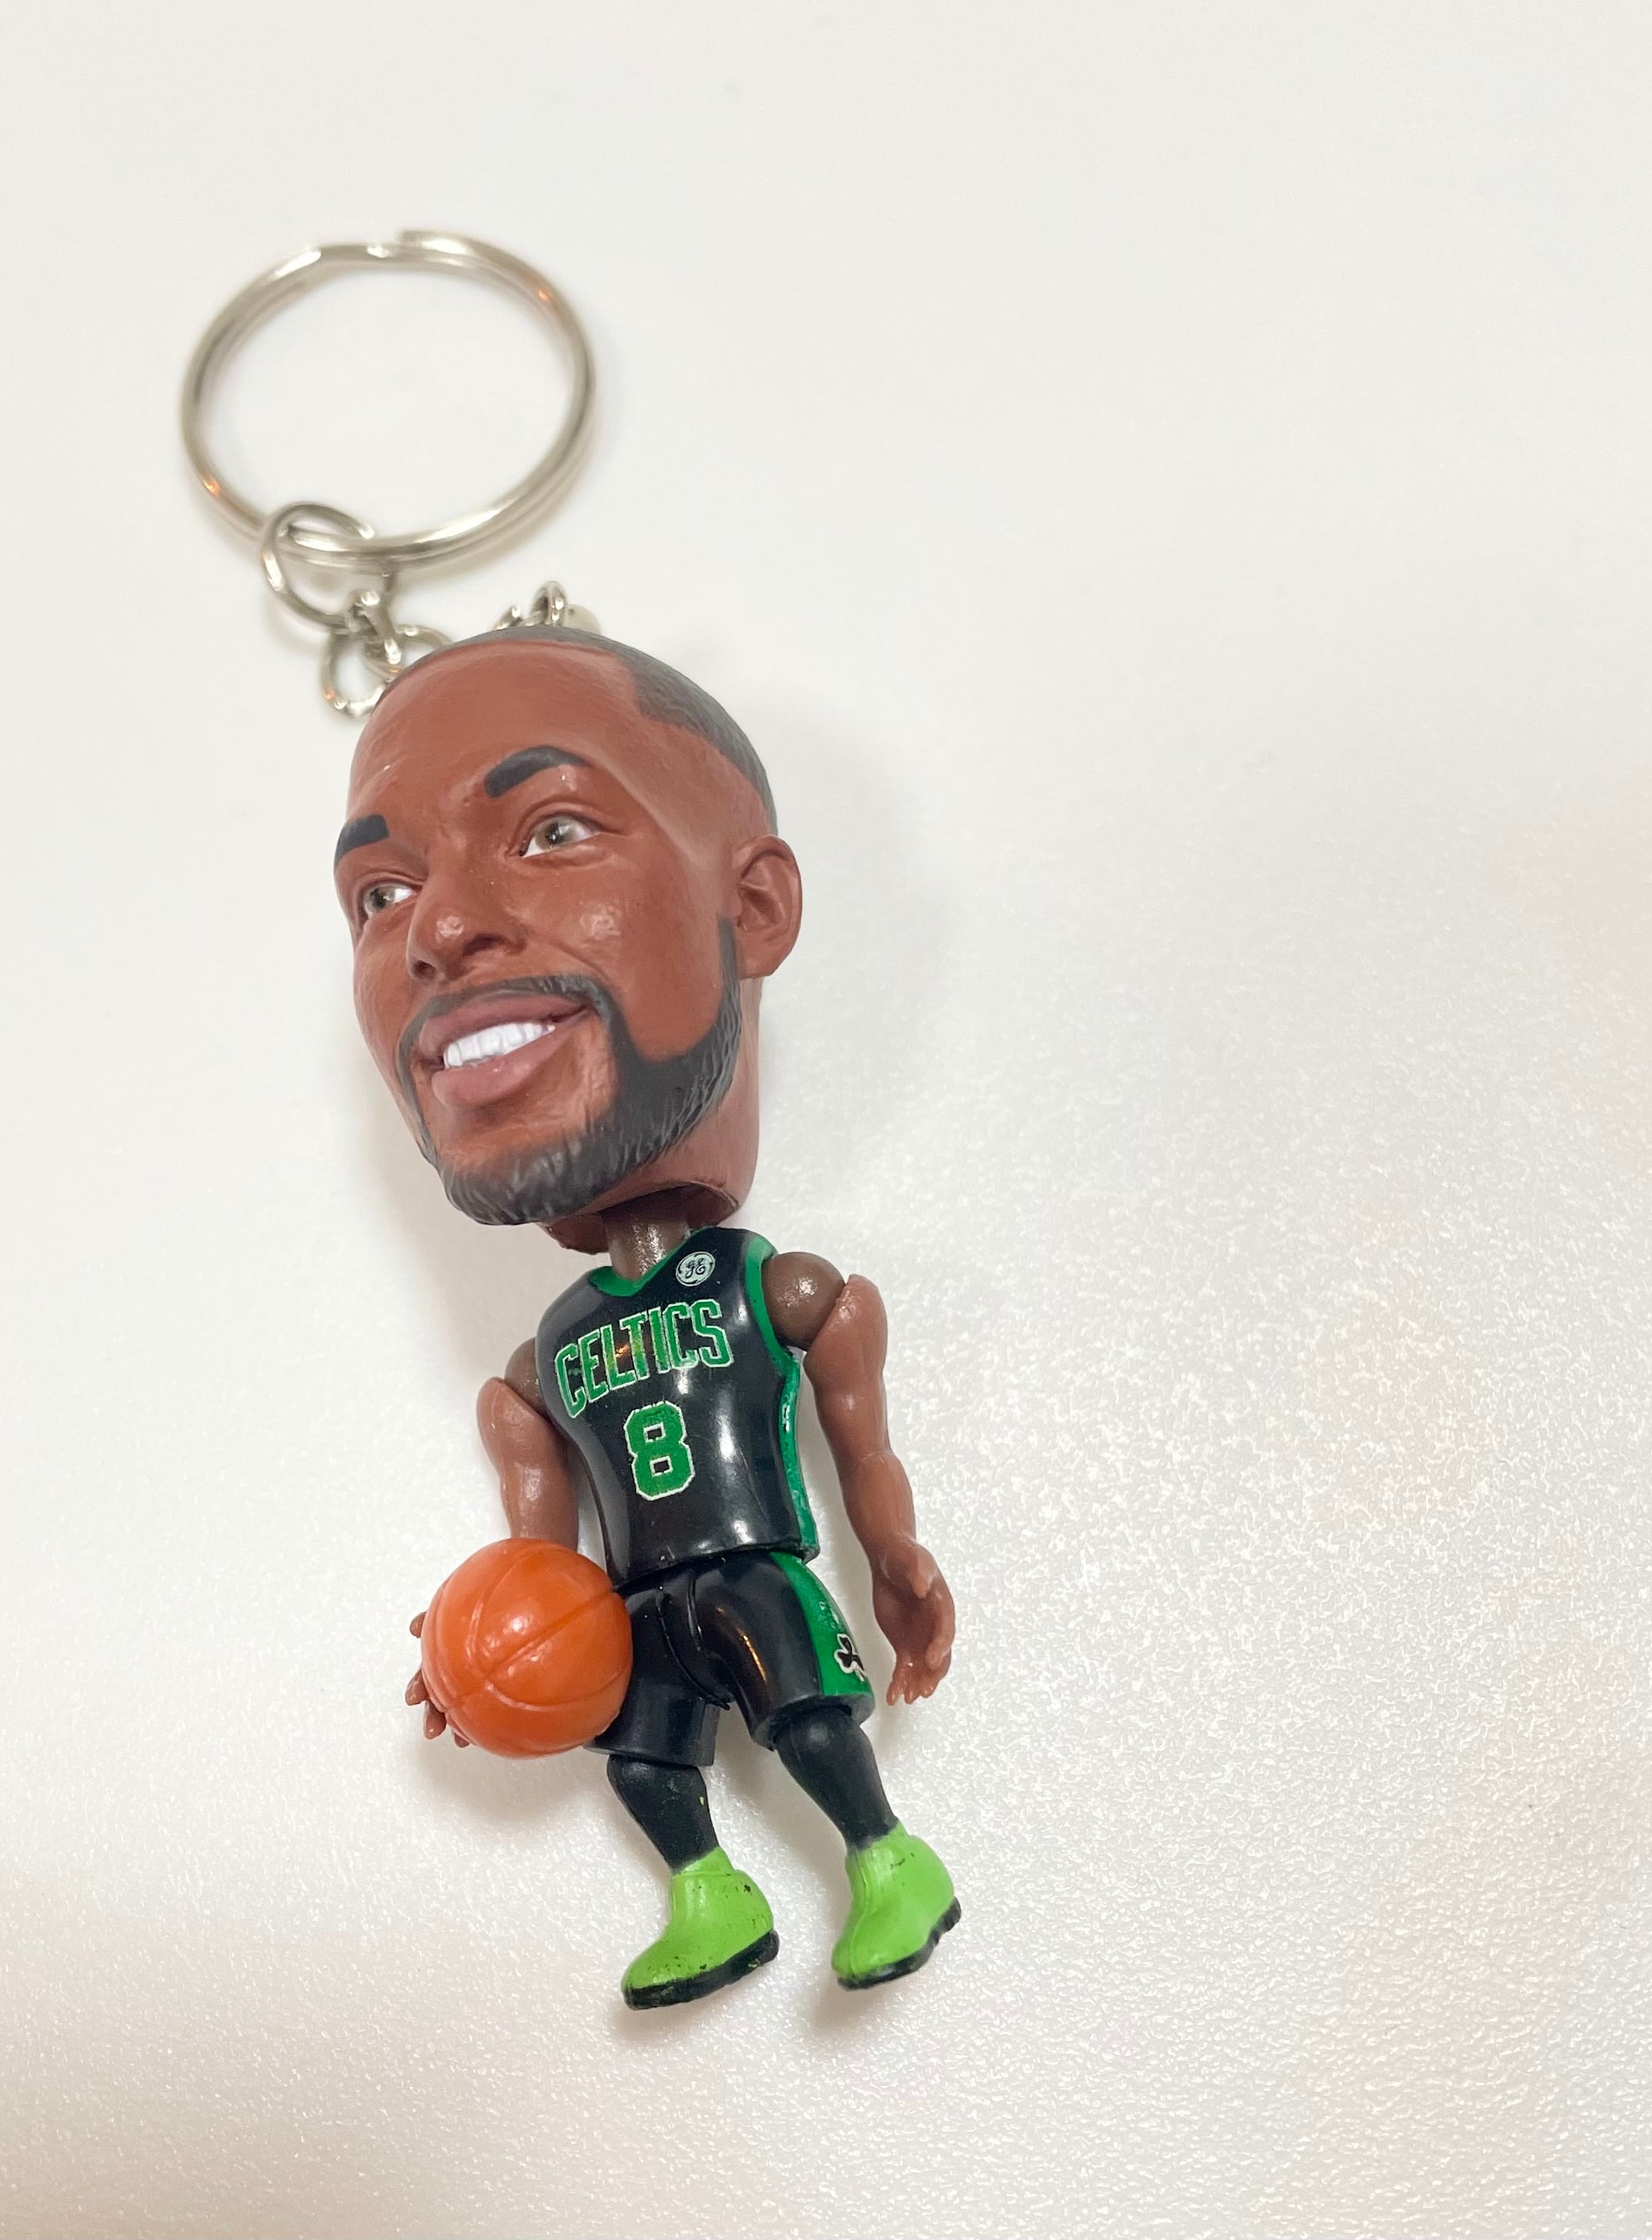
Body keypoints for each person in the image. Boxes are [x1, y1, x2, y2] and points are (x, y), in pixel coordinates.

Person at [334, 624, 959, 2005]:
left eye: (553, 829)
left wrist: (894, 1557)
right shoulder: (545, 1357)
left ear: (756, 906)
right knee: (643, 1761)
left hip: (752, 1563)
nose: (435, 927)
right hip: (646, 1601)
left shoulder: (772, 1289)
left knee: (808, 1724)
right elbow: (536, 1548)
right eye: (379, 893)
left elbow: (858, 1441)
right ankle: (709, 1894)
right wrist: (477, 1642)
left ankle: (886, 1858)